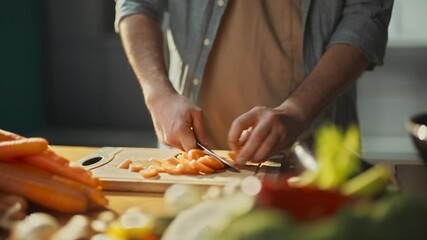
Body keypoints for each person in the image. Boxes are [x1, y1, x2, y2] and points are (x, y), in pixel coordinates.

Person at [115, 0, 393, 165]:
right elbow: (137, 4)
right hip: (189, 157)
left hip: (314, 155)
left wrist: (297, 111)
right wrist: (158, 95)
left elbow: (366, 17)